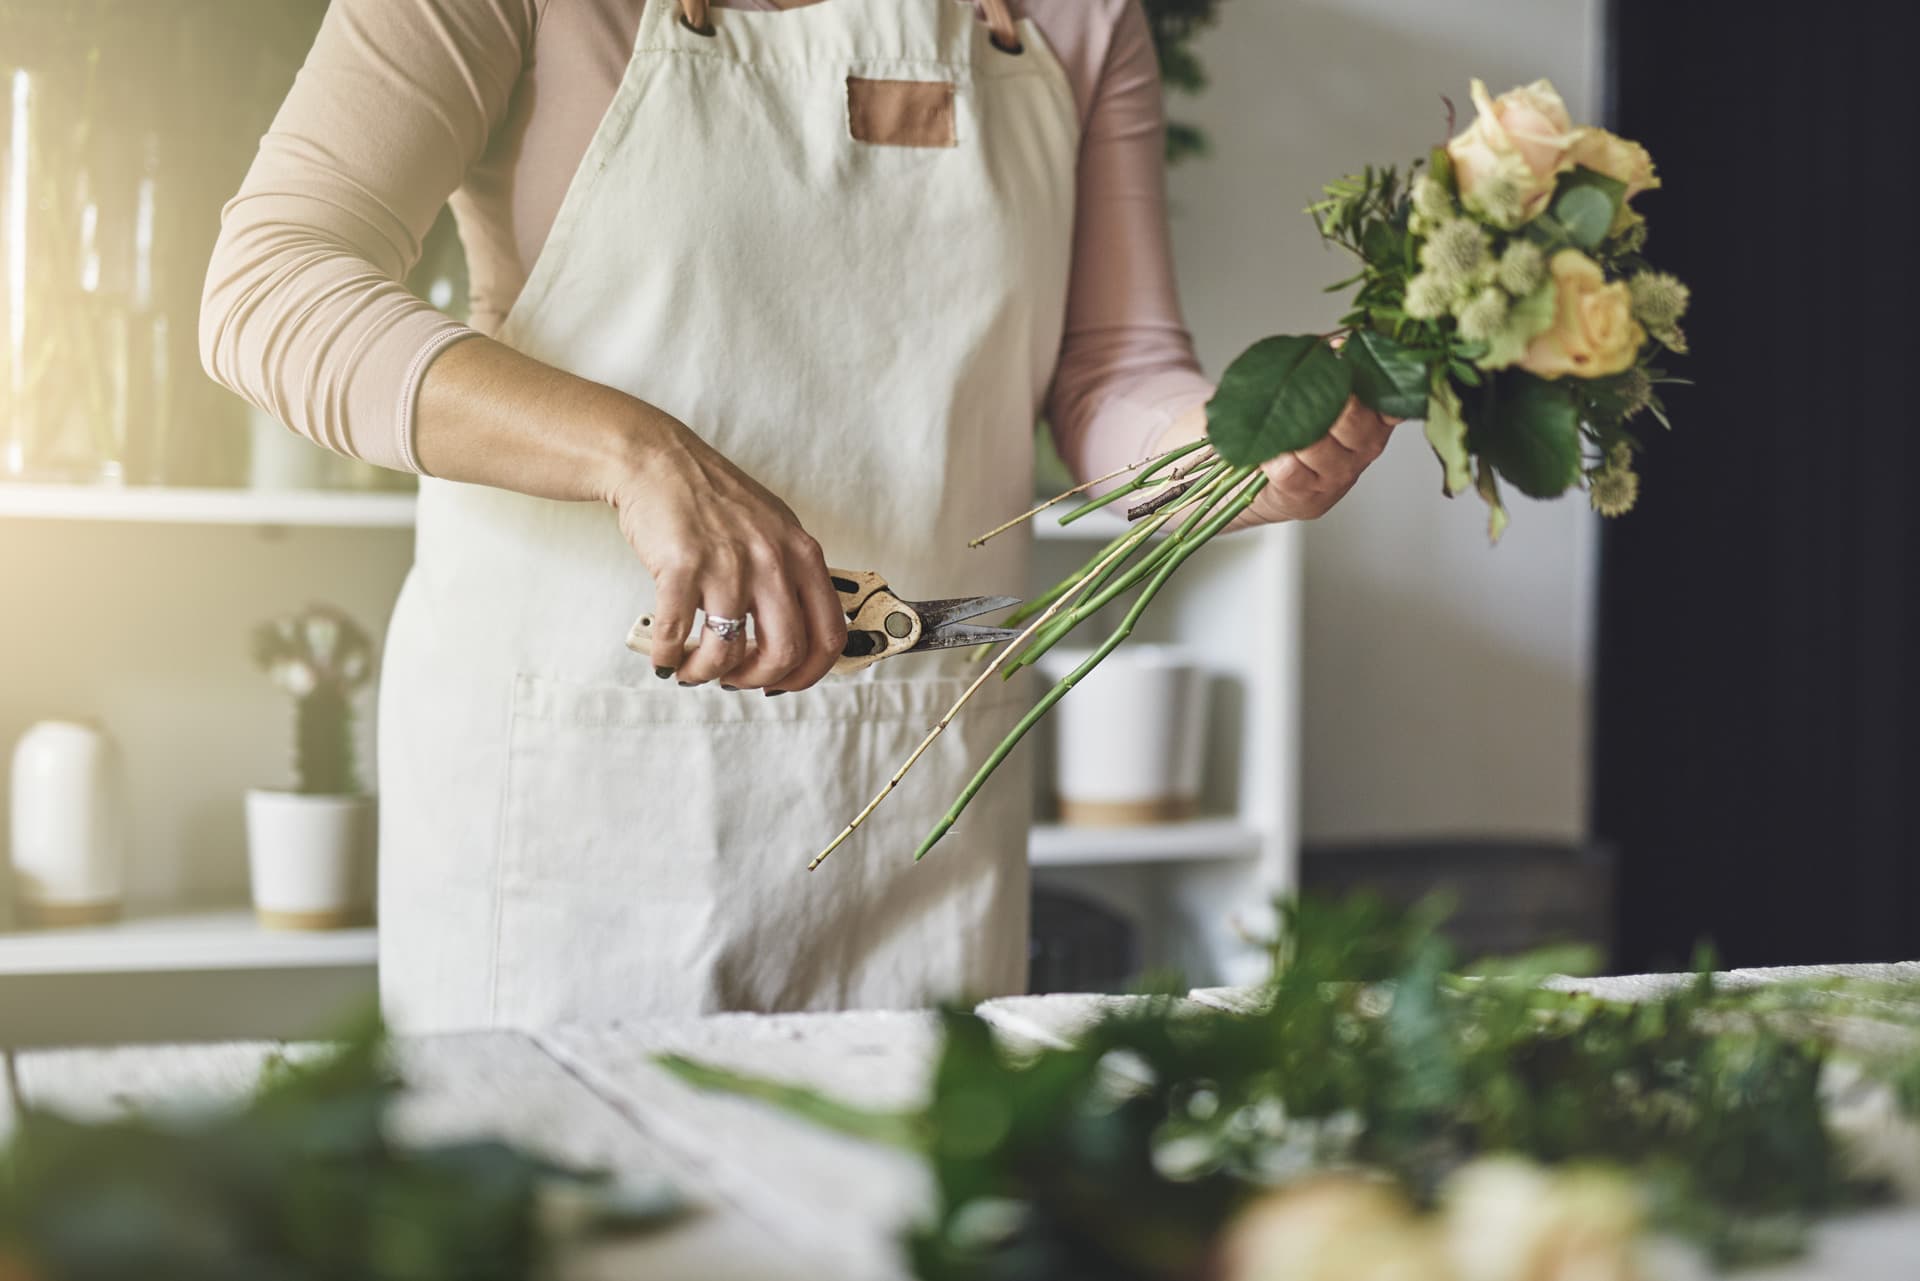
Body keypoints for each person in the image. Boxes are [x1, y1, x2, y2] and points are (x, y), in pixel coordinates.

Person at [201, 0, 1395, 1033]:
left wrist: (1237, 451)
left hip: (914, 810)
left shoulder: (1073, 15)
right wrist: (640, 455)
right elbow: (272, 287)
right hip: (573, 815)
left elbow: (1111, 372)